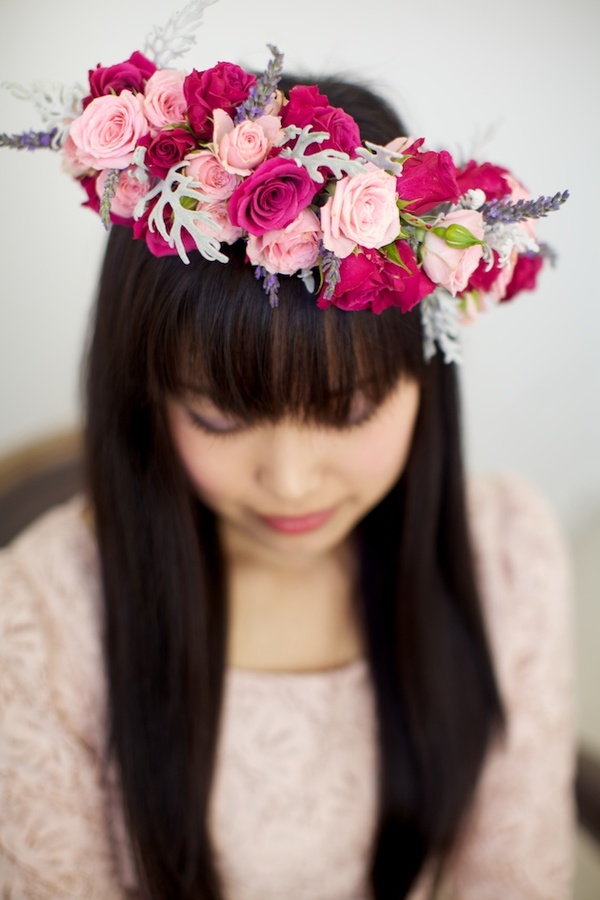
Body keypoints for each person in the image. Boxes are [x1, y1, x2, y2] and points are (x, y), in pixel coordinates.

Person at [0, 3, 574, 898]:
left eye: (350, 412)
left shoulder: (507, 552)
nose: (293, 482)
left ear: (426, 383)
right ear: (145, 394)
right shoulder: (37, 620)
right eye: (221, 420)